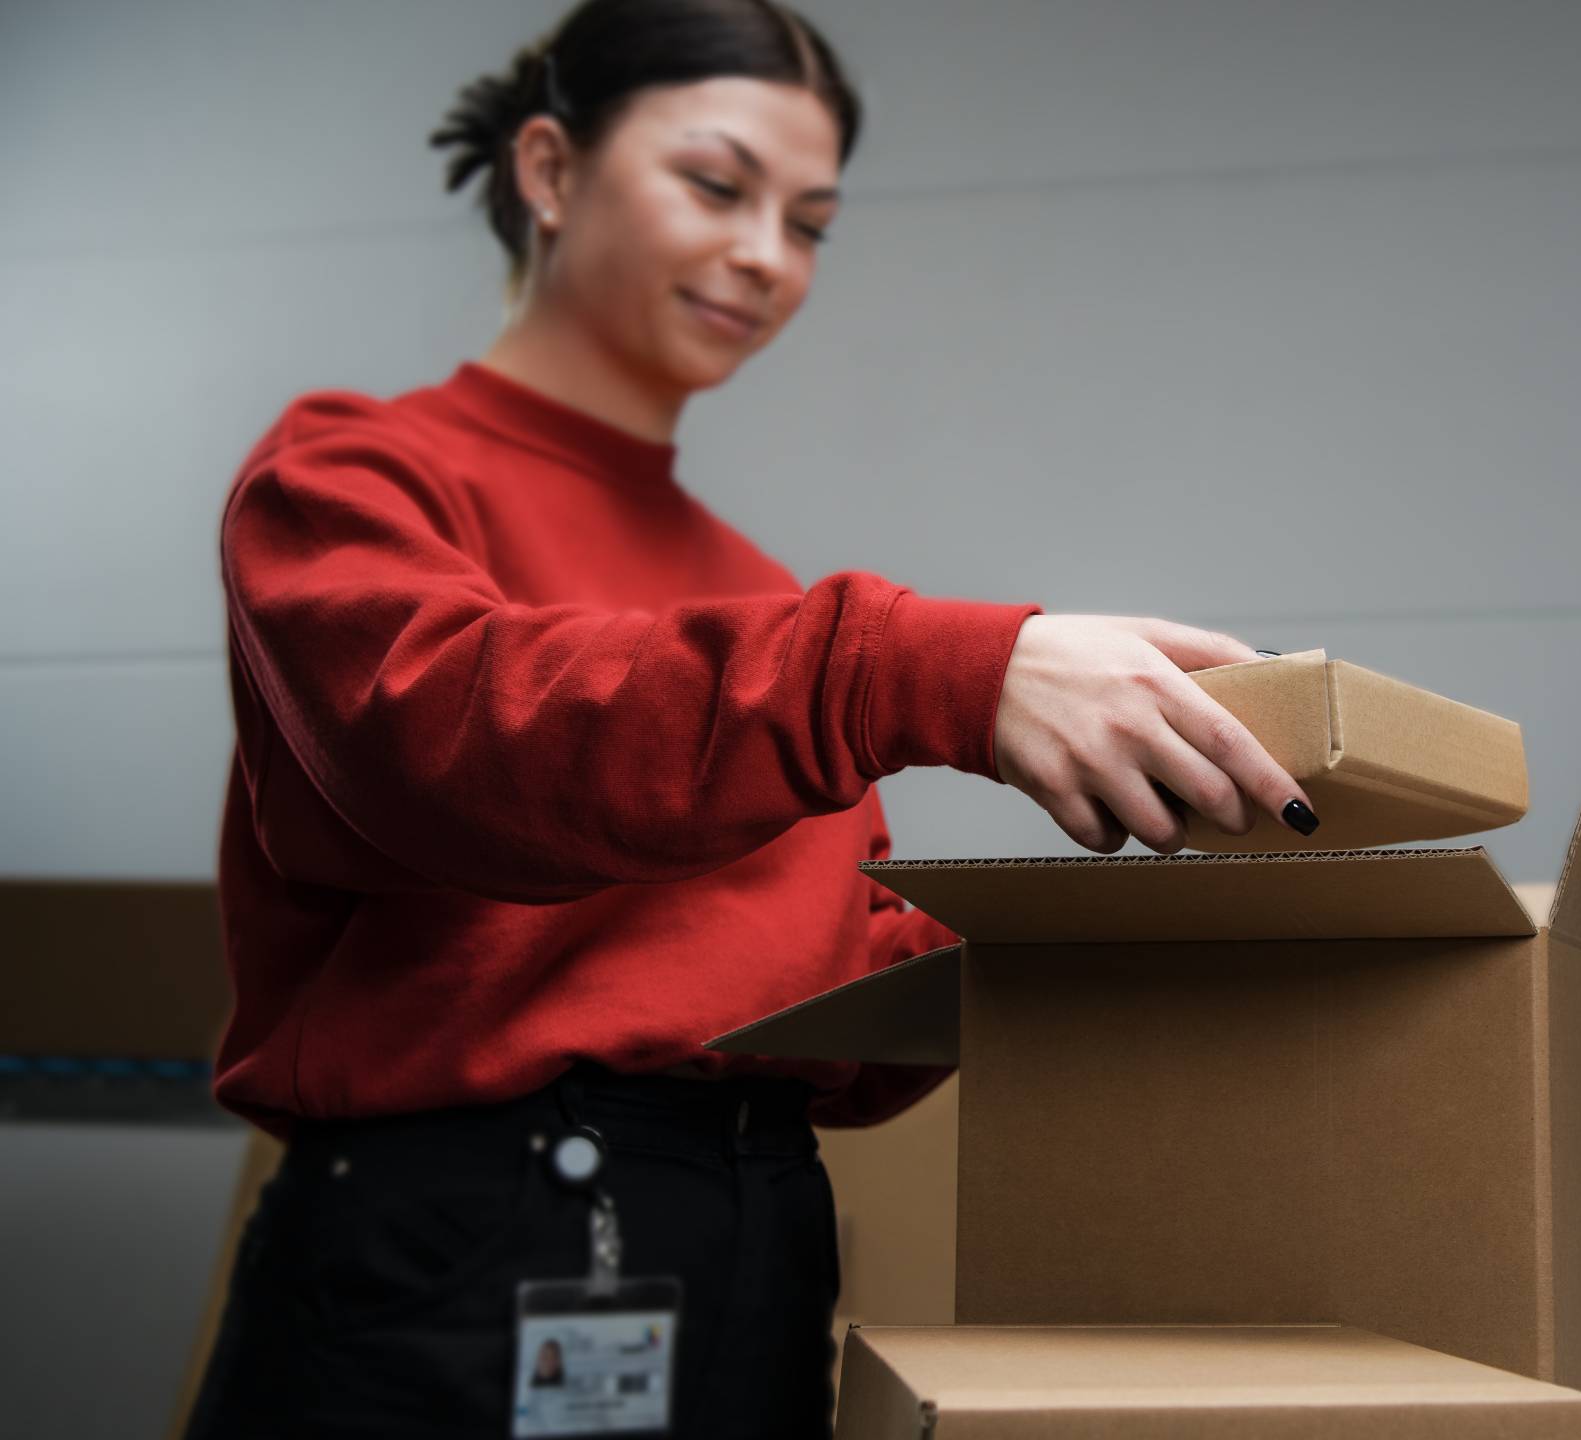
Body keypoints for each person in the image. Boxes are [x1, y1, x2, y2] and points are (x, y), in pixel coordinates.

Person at [182, 1, 1318, 1434]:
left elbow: (815, 985)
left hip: (751, 1241)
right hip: (465, 1263)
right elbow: (459, 740)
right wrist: (933, 669)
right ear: (548, 169)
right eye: (717, 188)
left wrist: (1110, 945)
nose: (766, 257)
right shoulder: (351, 474)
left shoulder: (748, 589)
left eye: (811, 222)